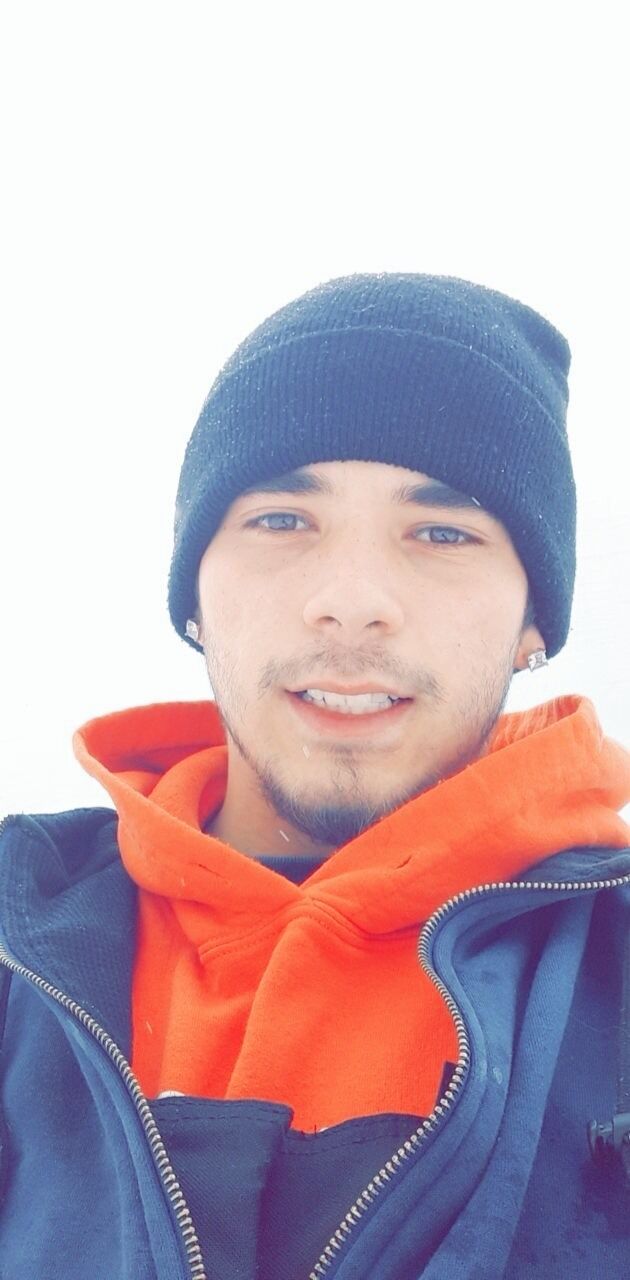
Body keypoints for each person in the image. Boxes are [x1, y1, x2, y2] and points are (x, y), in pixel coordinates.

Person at [1, 273, 629, 1280]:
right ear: (192, 592)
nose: (351, 600)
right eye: (282, 520)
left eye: (444, 532)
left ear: (533, 624)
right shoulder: (17, 937)